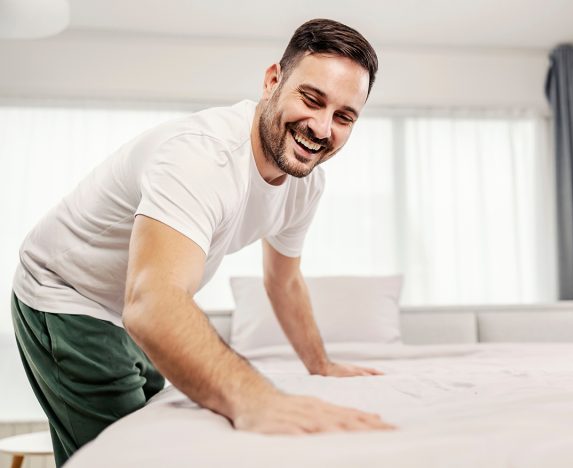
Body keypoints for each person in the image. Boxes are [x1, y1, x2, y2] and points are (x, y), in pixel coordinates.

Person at [11, 18, 394, 466]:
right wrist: (256, 399)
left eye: (344, 117)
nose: (323, 128)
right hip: (69, 295)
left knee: (157, 429)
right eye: (312, 99)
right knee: (125, 456)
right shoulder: (202, 156)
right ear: (273, 80)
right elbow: (151, 302)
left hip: (138, 302)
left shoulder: (304, 185)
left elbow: (283, 281)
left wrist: (320, 366)